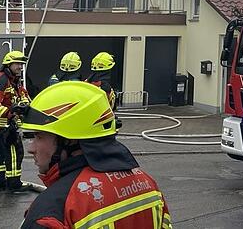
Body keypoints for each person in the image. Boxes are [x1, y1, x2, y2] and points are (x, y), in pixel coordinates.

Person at [18, 82, 172, 228]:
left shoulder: (52, 212)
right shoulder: (148, 185)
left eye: (39, 137)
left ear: (69, 140)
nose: (31, 148)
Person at [0, 49, 30, 192]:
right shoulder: (2, 79)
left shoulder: (13, 80)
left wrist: (24, 105)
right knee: (15, 152)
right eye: (17, 63)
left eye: (21, 64)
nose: (20, 67)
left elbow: (22, 95)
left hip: (3, 125)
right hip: (5, 124)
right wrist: (10, 113)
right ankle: (14, 184)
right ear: (8, 64)